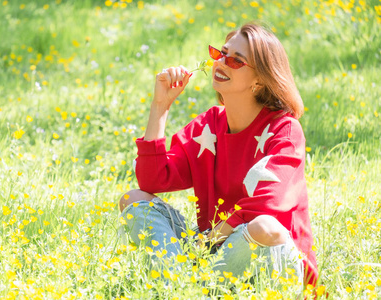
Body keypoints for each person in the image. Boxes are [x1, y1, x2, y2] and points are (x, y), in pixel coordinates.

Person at [119, 22, 318, 288]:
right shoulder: (209, 126)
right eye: (220, 53)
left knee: (263, 226)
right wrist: (160, 107)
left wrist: (209, 239)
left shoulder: (284, 130)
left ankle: (197, 286)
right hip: (214, 252)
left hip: (265, 255)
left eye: (236, 61)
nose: (221, 63)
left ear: (260, 80)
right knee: (134, 200)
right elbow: (152, 181)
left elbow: (266, 206)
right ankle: (180, 287)